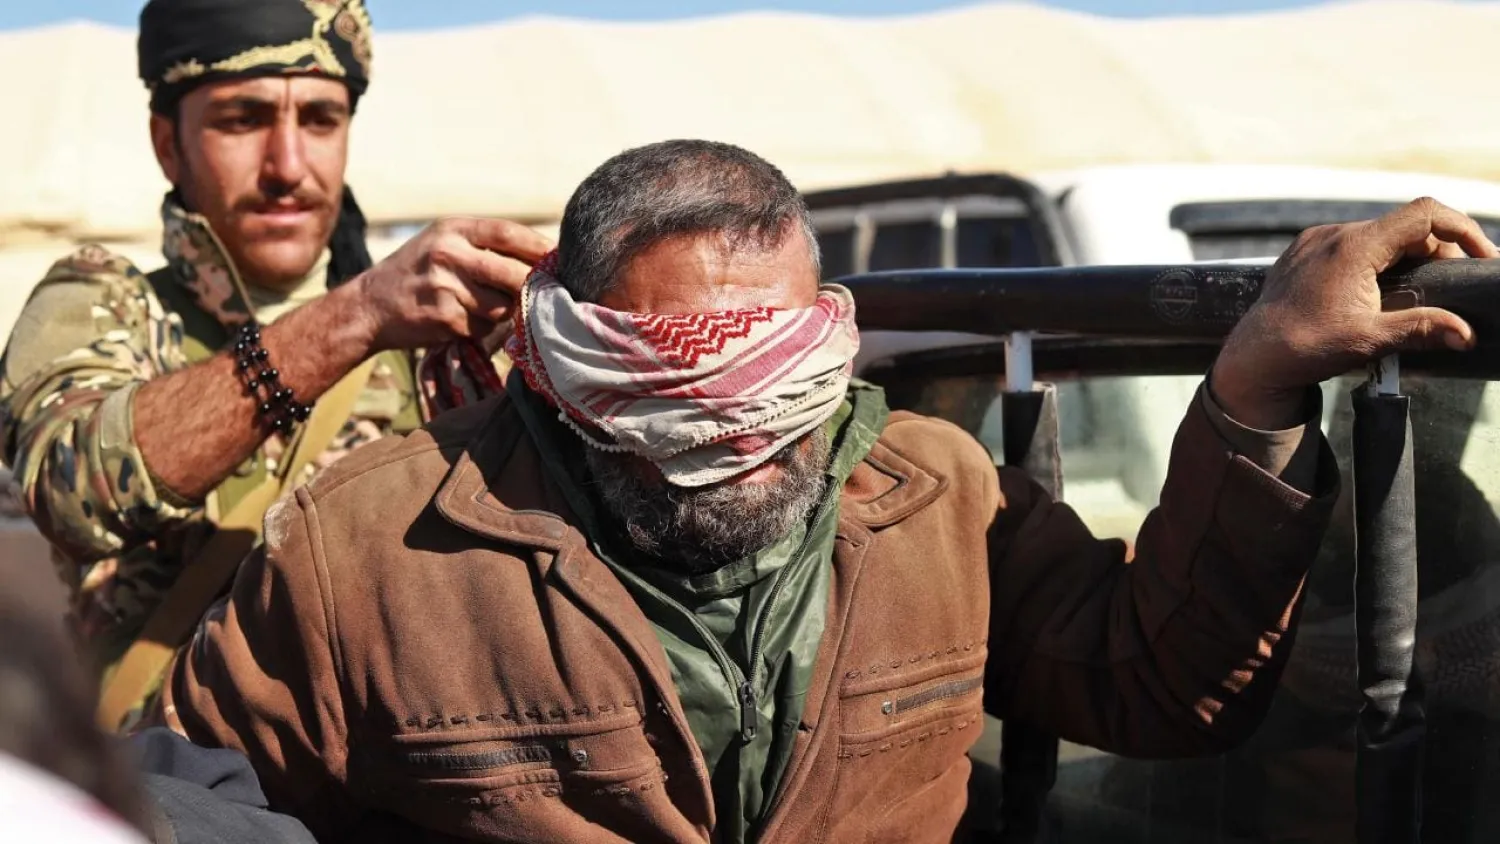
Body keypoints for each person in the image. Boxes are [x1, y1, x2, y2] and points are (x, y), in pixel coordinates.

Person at [160, 140, 1495, 843]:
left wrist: (1255, 387)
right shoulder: (369, 546)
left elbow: (1160, 683)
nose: (740, 445)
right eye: (677, 404)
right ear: (564, 373)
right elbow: (202, 793)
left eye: (773, 396)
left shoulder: (938, 498)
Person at [0, 0, 547, 732]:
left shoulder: (435, 333)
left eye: (320, 120)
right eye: (242, 119)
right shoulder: (106, 303)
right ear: (169, 145)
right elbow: (73, 489)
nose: (287, 166)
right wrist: (356, 317)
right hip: (172, 781)